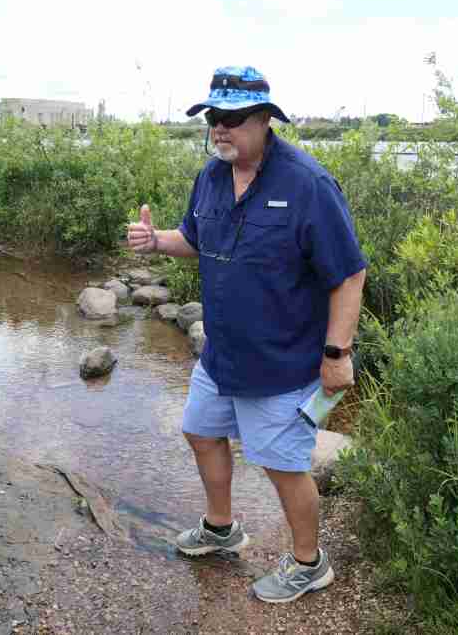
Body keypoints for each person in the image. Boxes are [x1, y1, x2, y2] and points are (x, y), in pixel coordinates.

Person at [127, 65, 367, 603]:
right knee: (200, 432)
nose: (220, 128)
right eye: (214, 117)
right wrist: (156, 241)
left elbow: (349, 275)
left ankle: (309, 563)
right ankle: (221, 528)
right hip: (221, 357)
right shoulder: (211, 177)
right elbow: (193, 238)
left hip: (282, 364)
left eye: (233, 118)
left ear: (264, 120)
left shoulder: (308, 185)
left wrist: (337, 354)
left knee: (283, 467)